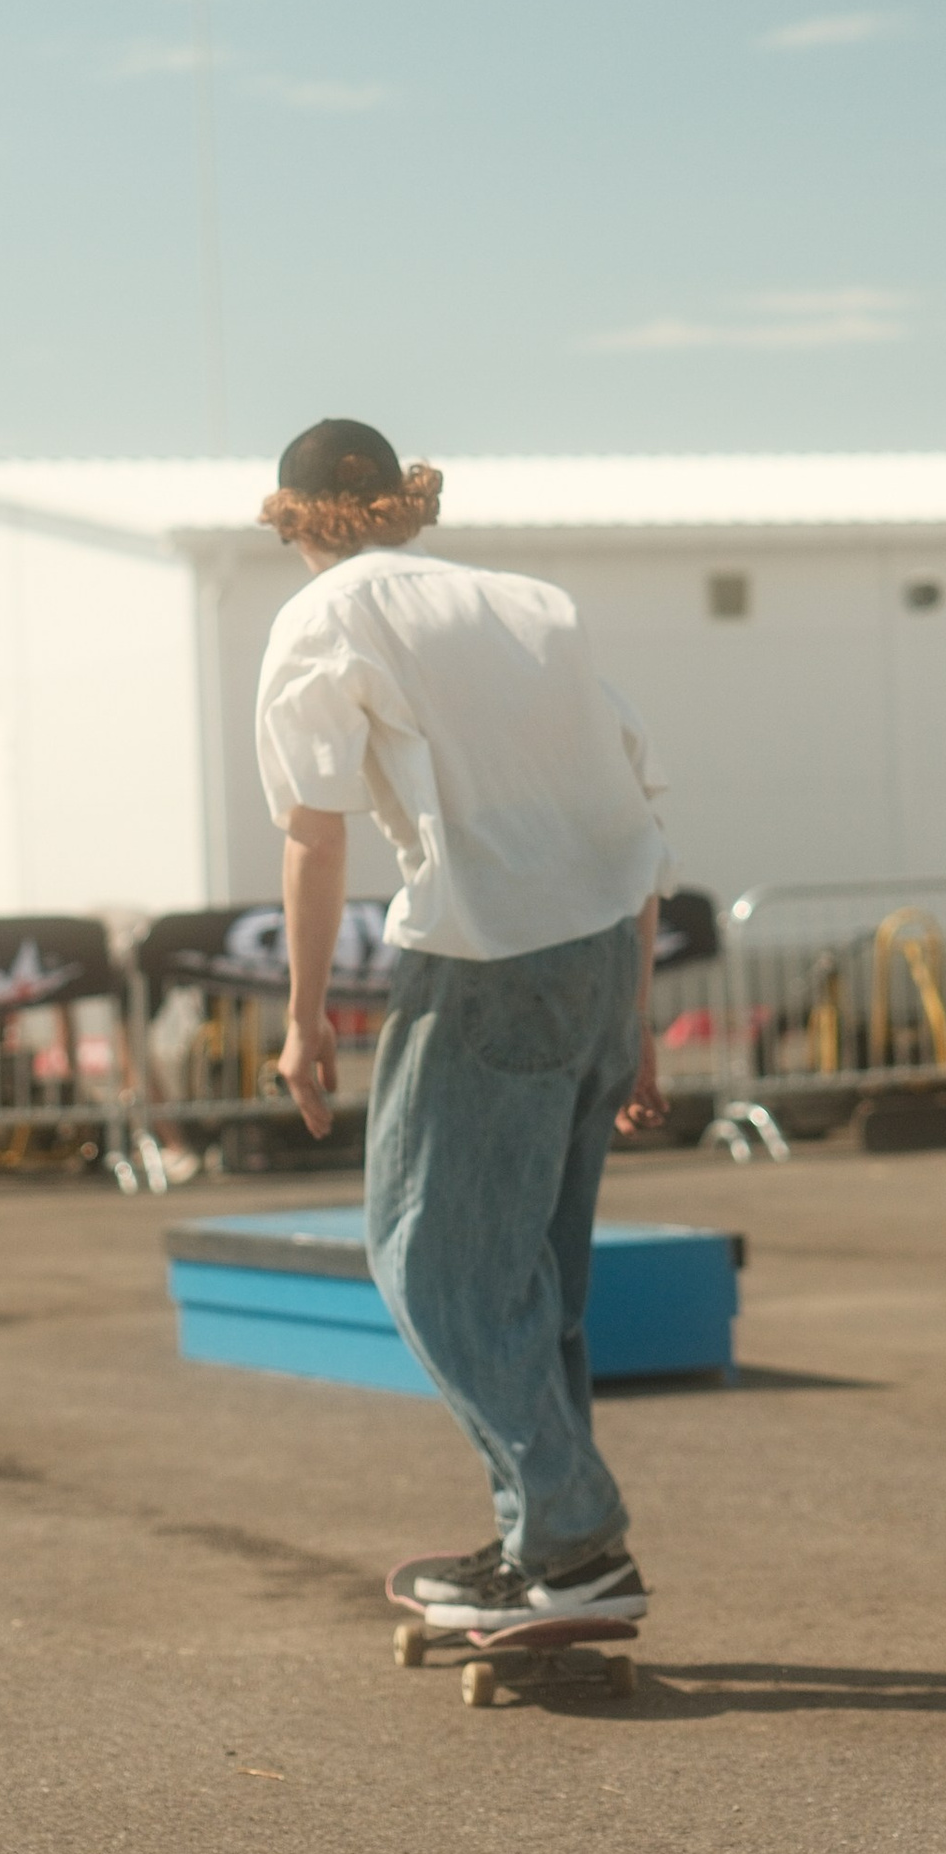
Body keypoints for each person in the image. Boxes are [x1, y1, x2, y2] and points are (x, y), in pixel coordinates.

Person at [257, 418, 673, 1636]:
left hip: (490, 956)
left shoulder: (325, 616)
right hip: (600, 952)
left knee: (427, 1253)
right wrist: (635, 1021)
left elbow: (314, 827)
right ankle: (539, 1536)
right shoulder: (530, 605)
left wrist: (302, 1016)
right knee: (537, 1275)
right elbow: (636, 797)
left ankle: (573, 1536)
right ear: (404, 503)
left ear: (291, 523)